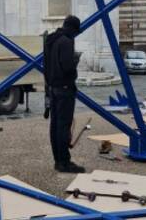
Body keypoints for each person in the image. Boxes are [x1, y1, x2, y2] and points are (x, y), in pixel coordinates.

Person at [43, 15, 84, 173]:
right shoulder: (66, 42)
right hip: (65, 88)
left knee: (55, 126)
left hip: (53, 88)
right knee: (63, 126)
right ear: (73, 29)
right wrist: (75, 62)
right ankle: (64, 162)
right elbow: (67, 67)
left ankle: (57, 160)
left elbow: (46, 65)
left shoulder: (51, 41)